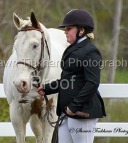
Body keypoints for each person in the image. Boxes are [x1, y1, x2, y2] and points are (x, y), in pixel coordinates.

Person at [36, 9, 106, 143]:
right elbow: (68, 80)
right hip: (66, 111)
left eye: (69, 28)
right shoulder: (72, 49)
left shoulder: (91, 52)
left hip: (81, 112)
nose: (65, 32)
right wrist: (47, 88)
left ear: (81, 30)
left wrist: (74, 107)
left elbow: (92, 83)